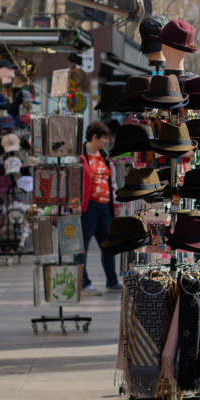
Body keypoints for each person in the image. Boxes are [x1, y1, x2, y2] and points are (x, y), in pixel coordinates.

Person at [78, 121, 120, 296]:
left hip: (105, 207)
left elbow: (113, 182)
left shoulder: (104, 157)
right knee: (82, 246)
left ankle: (112, 281)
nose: (106, 142)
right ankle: (83, 283)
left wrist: (115, 203)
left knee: (108, 246)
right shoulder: (79, 157)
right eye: (104, 138)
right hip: (88, 208)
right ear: (94, 137)